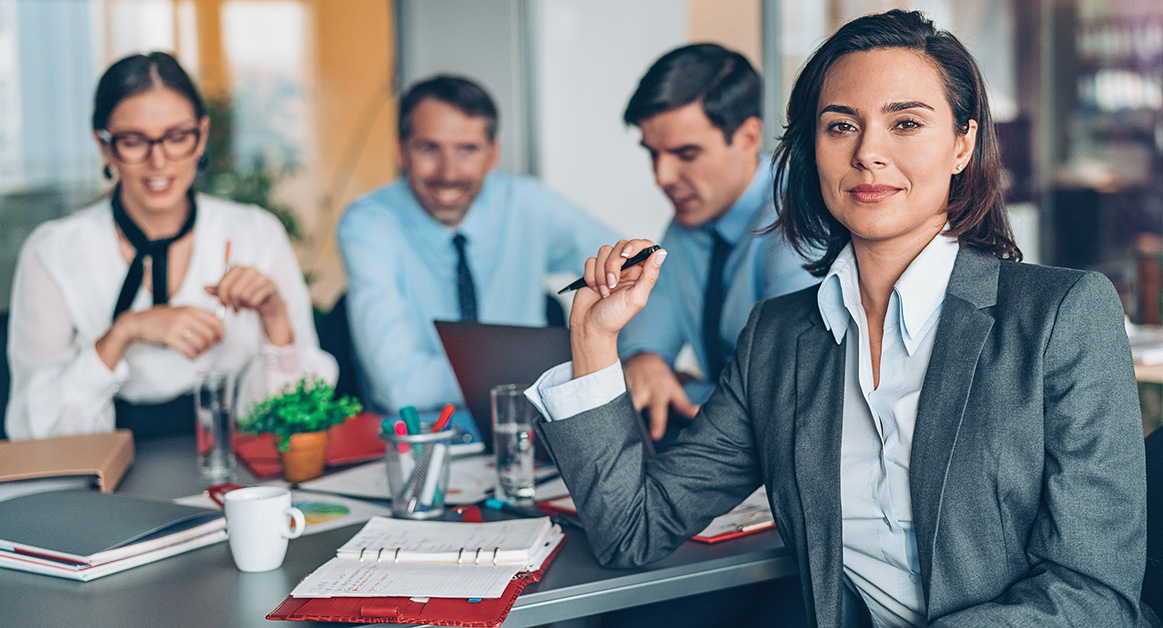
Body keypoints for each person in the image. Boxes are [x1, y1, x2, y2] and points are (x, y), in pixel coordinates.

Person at [528, 10, 1152, 628]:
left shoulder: (1063, 316)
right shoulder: (778, 338)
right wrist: (595, 338)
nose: (868, 154)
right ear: (811, 150)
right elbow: (630, 532)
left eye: (905, 123)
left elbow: (1093, 595)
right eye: (839, 127)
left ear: (962, 143)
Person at [6, 52, 336, 440]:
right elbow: (31, 433)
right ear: (105, 146)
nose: (159, 161)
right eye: (134, 141)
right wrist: (124, 332)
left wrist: (276, 320)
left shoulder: (255, 232)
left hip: (237, 467)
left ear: (201, 136)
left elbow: (295, 421)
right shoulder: (53, 252)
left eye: (177, 137)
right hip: (103, 478)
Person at [338, 75, 617, 415]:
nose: (448, 172)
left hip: (525, 429)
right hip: (419, 439)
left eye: (467, 150)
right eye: (429, 148)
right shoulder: (369, 224)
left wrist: (638, 357)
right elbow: (399, 387)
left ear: (492, 155)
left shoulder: (529, 204)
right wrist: (542, 369)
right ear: (401, 151)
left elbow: (633, 263)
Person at [617, 43, 818, 441]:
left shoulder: (799, 216)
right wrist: (646, 360)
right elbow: (645, 343)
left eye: (686, 154)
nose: (662, 177)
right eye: (653, 154)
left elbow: (788, 392)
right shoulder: (687, 223)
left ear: (747, 137)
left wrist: (688, 389)